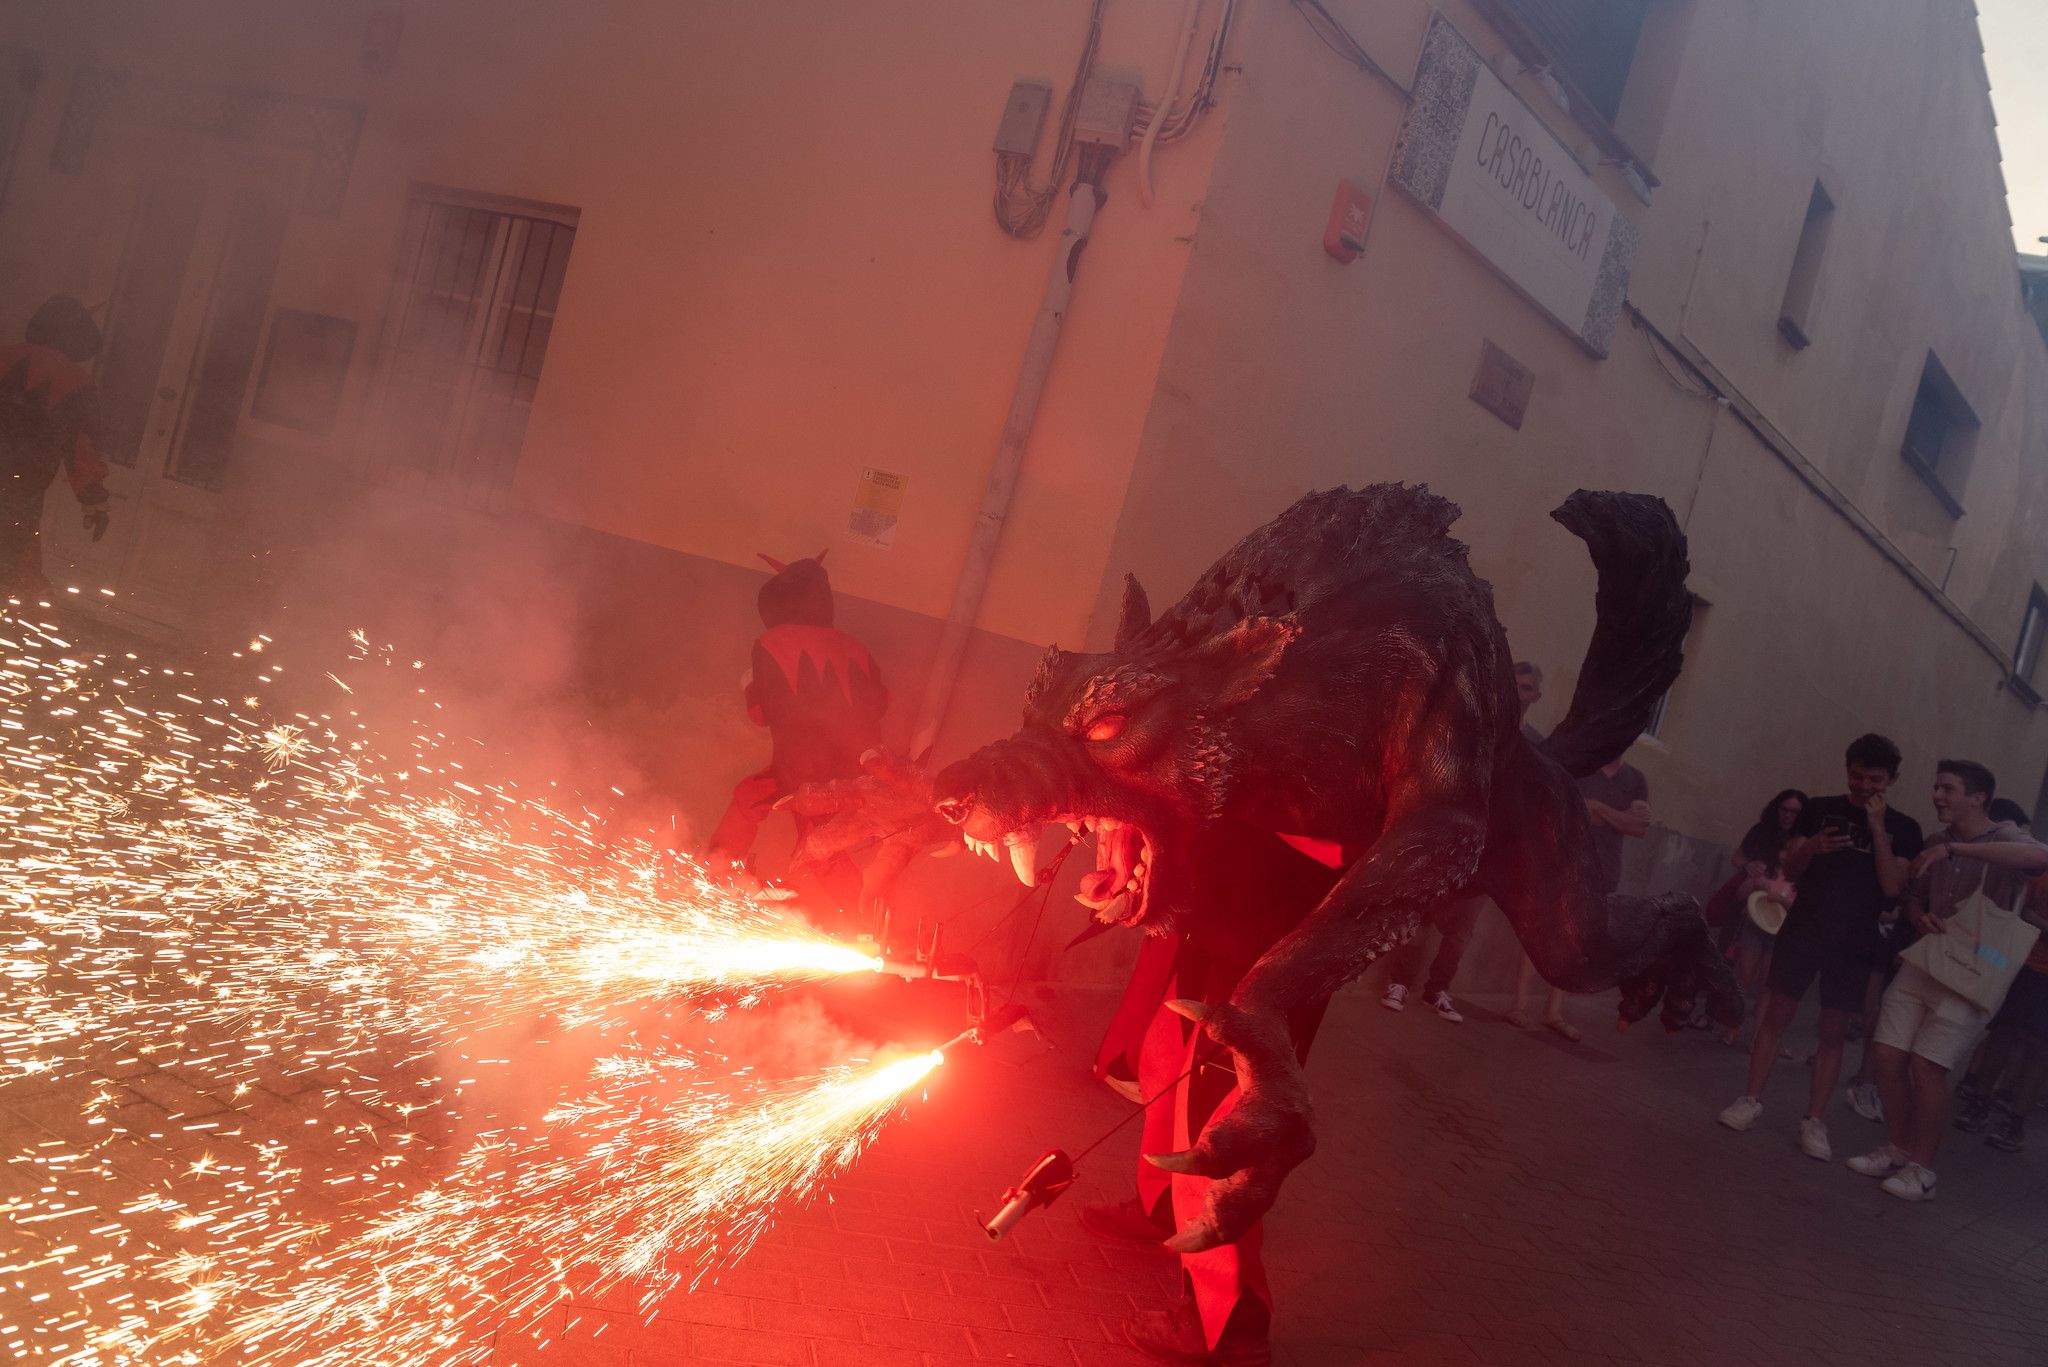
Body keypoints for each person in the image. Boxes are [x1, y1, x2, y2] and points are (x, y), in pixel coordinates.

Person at [1844, 762, 2048, 1199]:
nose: (1937, 795)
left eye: (1947, 788)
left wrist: (1959, 852)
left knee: (1927, 1065)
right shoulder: (1937, 841)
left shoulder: (2003, 835)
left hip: (1977, 970)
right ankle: (1899, 1147)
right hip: (1929, 959)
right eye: (1936, 786)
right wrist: (1918, 915)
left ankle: (1923, 1170)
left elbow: (2039, 857)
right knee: (1886, 1053)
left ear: (1977, 798)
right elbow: (1910, 894)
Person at [1719, 735, 1923, 1161]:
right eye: (1856, 775)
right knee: (1776, 1015)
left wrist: (1878, 829)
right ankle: (1751, 1100)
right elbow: (1791, 868)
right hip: (1805, 926)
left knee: (1831, 1032)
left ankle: (1814, 1119)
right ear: (1846, 769)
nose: (1863, 785)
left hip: (1855, 939)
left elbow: (1891, 886)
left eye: (1875, 779)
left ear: (1892, 780)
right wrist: (1813, 846)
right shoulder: (1817, 808)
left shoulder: (1904, 828)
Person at [707, 552, 889, 917]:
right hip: (857, 777)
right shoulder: (858, 649)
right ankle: (869, 922)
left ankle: (868, 924)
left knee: (814, 846)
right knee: (803, 832)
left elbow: (760, 714)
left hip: (802, 774)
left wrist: (748, 685)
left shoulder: (772, 642)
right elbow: (879, 706)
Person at [1506, 749, 1649, 1039]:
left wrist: (1601, 810)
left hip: (1604, 871)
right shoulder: (1584, 766)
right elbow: (1571, 807)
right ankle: (1518, 1005)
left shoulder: (1635, 779)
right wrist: (1616, 815)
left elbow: (1639, 828)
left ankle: (1553, 1012)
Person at [1945, 798, 2048, 1154]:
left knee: (2039, 1048)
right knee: (2002, 1035)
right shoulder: (2044, 867)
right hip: (2023, 964)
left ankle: (2015, 1121)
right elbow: (2020, 908)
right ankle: (1979, 1100)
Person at [0, 295, 113, 591]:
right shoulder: (76, 383)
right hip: (19, 490)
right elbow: (82, 448)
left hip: (18, 488)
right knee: (14, 571)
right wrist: (93, 498)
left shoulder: (3, 355)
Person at [1706, 789, 1807, 1041]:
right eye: (1784, 809)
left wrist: (1782, 899)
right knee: (1742, 974)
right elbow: (1738, 861)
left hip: (1782, 929)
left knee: (1767, 984)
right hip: (1753, 920)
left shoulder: (1802, 867)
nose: (1788, 815)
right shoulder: (1762, 833)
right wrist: (1750, 872)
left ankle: (1758, 1036)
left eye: (1795, 812)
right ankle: (1729, 1024)